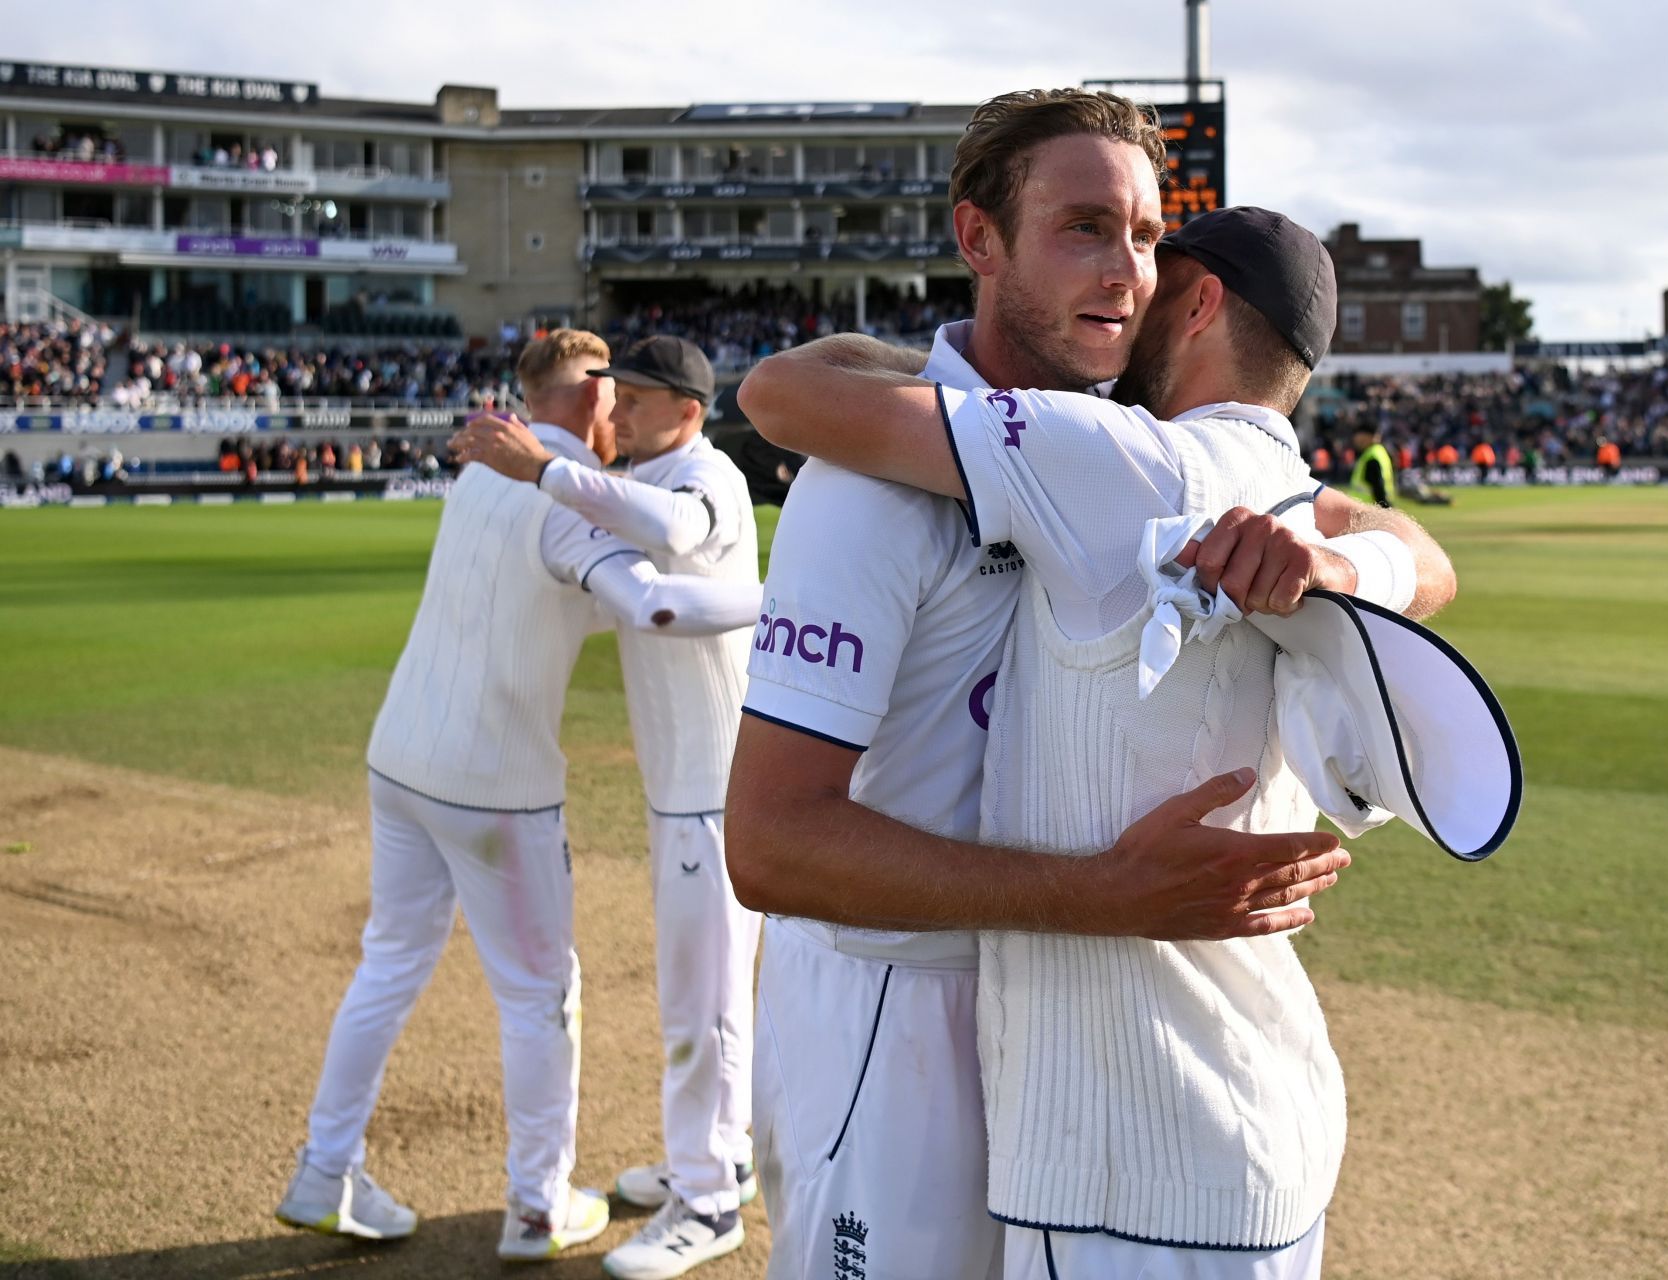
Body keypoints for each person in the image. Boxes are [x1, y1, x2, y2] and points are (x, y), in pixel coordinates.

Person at [738, 205, 1458, 1279]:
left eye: (1151, 256)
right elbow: (1430, 558)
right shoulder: (1299, 506)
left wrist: (945, 362)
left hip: (1129, 1146)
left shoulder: (1124, 458)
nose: (1126, 283)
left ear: (1201, 301)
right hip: (1249, 1107)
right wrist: (1360, 570)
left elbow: (773, 394)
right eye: (1092, 234)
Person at [275, 331, 763, 1264]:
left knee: (387, 967)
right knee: (542, 996)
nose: (619, 408)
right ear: (590, 407)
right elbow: (651, 604)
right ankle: (539, 1206)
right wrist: (787, 601)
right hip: (496, 789)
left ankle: (322, 1170)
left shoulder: (483, 478)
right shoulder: (565, 501)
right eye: (611, 392)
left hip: (399, 757)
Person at [452, 336, 762, 1279]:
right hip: (686, 791)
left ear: (688, 409)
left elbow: (667, 541)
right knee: (707, 1000)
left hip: (707, 797)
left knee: (699, 1004)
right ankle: (723, 1158)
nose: (615, 415)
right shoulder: (659, 476)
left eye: (632, 399)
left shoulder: (706, 478)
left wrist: (544, 468)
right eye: (613, 397)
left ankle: (707, 1203)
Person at [1350, 424, 1396, 506]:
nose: (1355, 440)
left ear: (1366, 436)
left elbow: (1378, 489)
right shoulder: (1379, 451)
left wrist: (1385, 511)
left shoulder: (1371, 457)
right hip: (1372, 510)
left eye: (1358, 437)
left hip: (1369, 511)